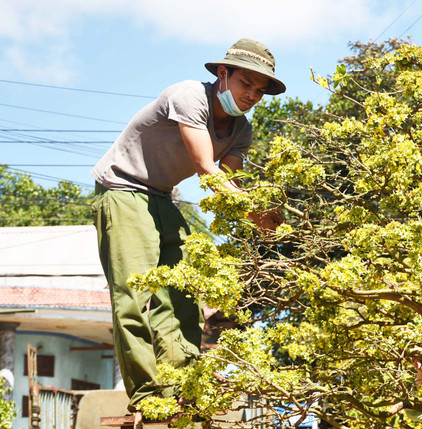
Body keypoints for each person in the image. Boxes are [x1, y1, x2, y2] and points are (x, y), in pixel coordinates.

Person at [91, 38, 285, 409]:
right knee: (134, 298)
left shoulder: (241, 132)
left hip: (160, 197)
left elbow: (226, 186)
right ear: (223, 73)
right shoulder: (188, 96)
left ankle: (180, 386)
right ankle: (149, 395)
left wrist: (258, 214)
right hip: (121, 189)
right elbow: (206, 169)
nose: (252, 96)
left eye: (260, 91)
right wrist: (250, 207)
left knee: (184, 292)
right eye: (246, 83)